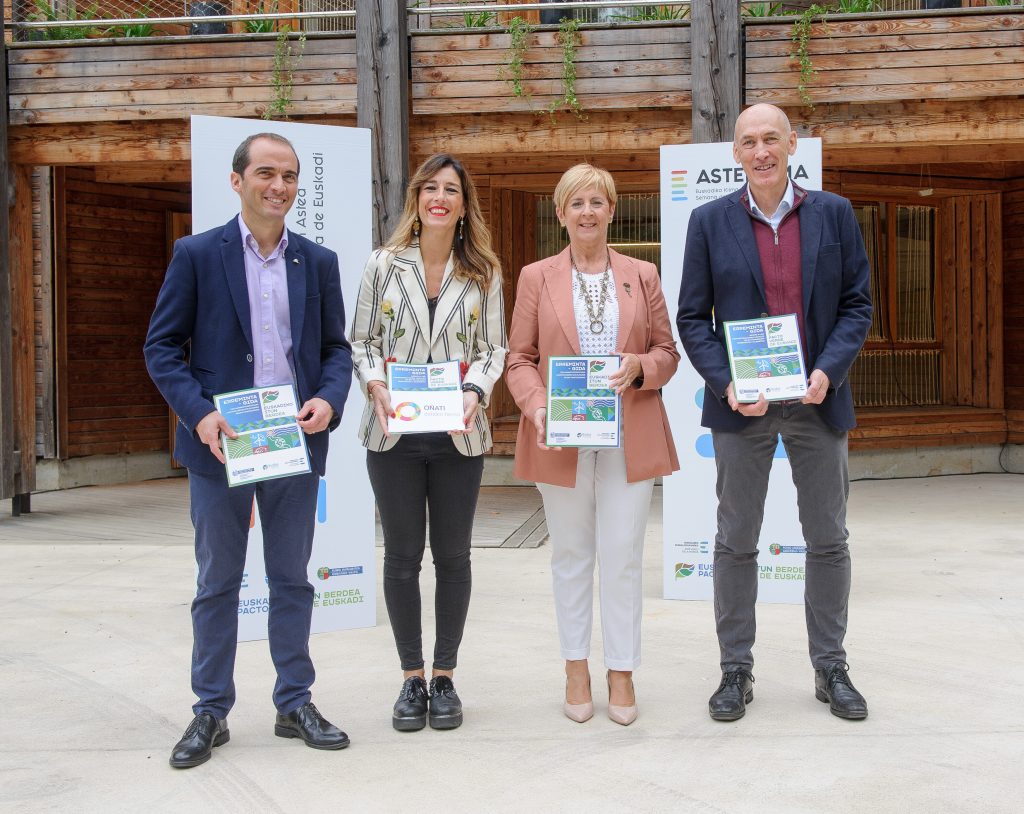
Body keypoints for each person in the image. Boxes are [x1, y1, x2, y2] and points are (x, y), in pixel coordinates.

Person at [144, 132, 353, 768]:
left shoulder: (317, 261)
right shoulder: (196, 254)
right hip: (222, 445)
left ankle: (294, 702)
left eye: (288, 176)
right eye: (265, 173)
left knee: (291, 578)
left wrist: (328, 400)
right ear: (237, 180)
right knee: (217, 582)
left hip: (291, 442)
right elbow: (162, 347)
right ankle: (210, 709)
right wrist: (200, 414)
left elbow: (335, 350)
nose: (278, 186)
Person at [677, 103, 873, 722]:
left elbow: (857, 305)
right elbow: (692, 318)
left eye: (771, 139)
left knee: (828, 539)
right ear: (735, 153)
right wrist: (727, 383)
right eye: (748, 142)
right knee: (736, 541)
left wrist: (828, 371)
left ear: (792, 145)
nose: (760, 151)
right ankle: (735, 670)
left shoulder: (834, 213)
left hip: (817, 401)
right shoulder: (709, 221)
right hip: (744, 407)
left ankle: (831, 667)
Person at [506, 164, 679, 726]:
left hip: (629, 433)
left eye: (597, 202)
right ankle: (576, 667)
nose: (587, 212)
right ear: (561, 213)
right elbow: (519, 358)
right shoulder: (536, 277)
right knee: (571, 555)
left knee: (623, 555)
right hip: (562, 434)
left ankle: (621, 671)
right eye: (576, 203)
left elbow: (667, 352)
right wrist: (536, 405)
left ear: (611, 211)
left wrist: (640, 367)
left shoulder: (642, 274)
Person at [350, 153, 506, 732]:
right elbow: (361, 340)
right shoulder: (382, 264)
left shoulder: (484, 271)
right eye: (431, 188)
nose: (440, 198)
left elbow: (494, 348)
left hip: (458, 434)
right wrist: (375, 384)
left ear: (464, 206)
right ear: (417, 199)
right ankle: (411, 678)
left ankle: (444, 677)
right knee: (401, 556)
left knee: (454, 556)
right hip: (392, 431)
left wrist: (475, 391)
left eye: (452, 191)